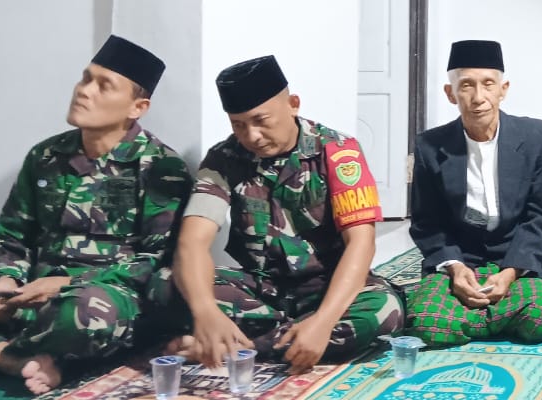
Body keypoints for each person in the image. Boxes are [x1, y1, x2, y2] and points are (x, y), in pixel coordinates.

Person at [170, 56, 401, 372]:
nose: (251, 135)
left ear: (293, 104)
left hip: (327, 286)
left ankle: (241, 347)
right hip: (262, 289)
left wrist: (323, 321)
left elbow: (361, 243)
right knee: (168, 284)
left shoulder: (338, 150)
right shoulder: (222, 159)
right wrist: (205, 312)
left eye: (261, 120)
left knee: (384, 311)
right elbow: (192, 242)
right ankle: (280, 340)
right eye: (238, 125)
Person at [0, 35, 191, 394]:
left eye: (104, 85)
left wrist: (65, 285)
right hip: (28, 296)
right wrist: (5, 282)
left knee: (86, 314)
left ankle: (8, 355)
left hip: (103, 300)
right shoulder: (45, 156)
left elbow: (157, 261)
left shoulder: (162, 168)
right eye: (85, 78)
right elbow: (13, 238)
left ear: (137, 107)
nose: (84, 91)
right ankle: (26, 357)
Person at [405, 40, 542, 346]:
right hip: (459, 258)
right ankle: (497, 318)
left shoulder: (535, 136)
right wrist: (455, 267)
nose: (478, 97)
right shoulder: (429, 146)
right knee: (425, 323)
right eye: (466, 85)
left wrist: (510, 272)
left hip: (516, 259)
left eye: (488, 84)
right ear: (450, 93)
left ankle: (468, 319)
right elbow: (427, 222)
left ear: (503, 89)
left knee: (540, 321)